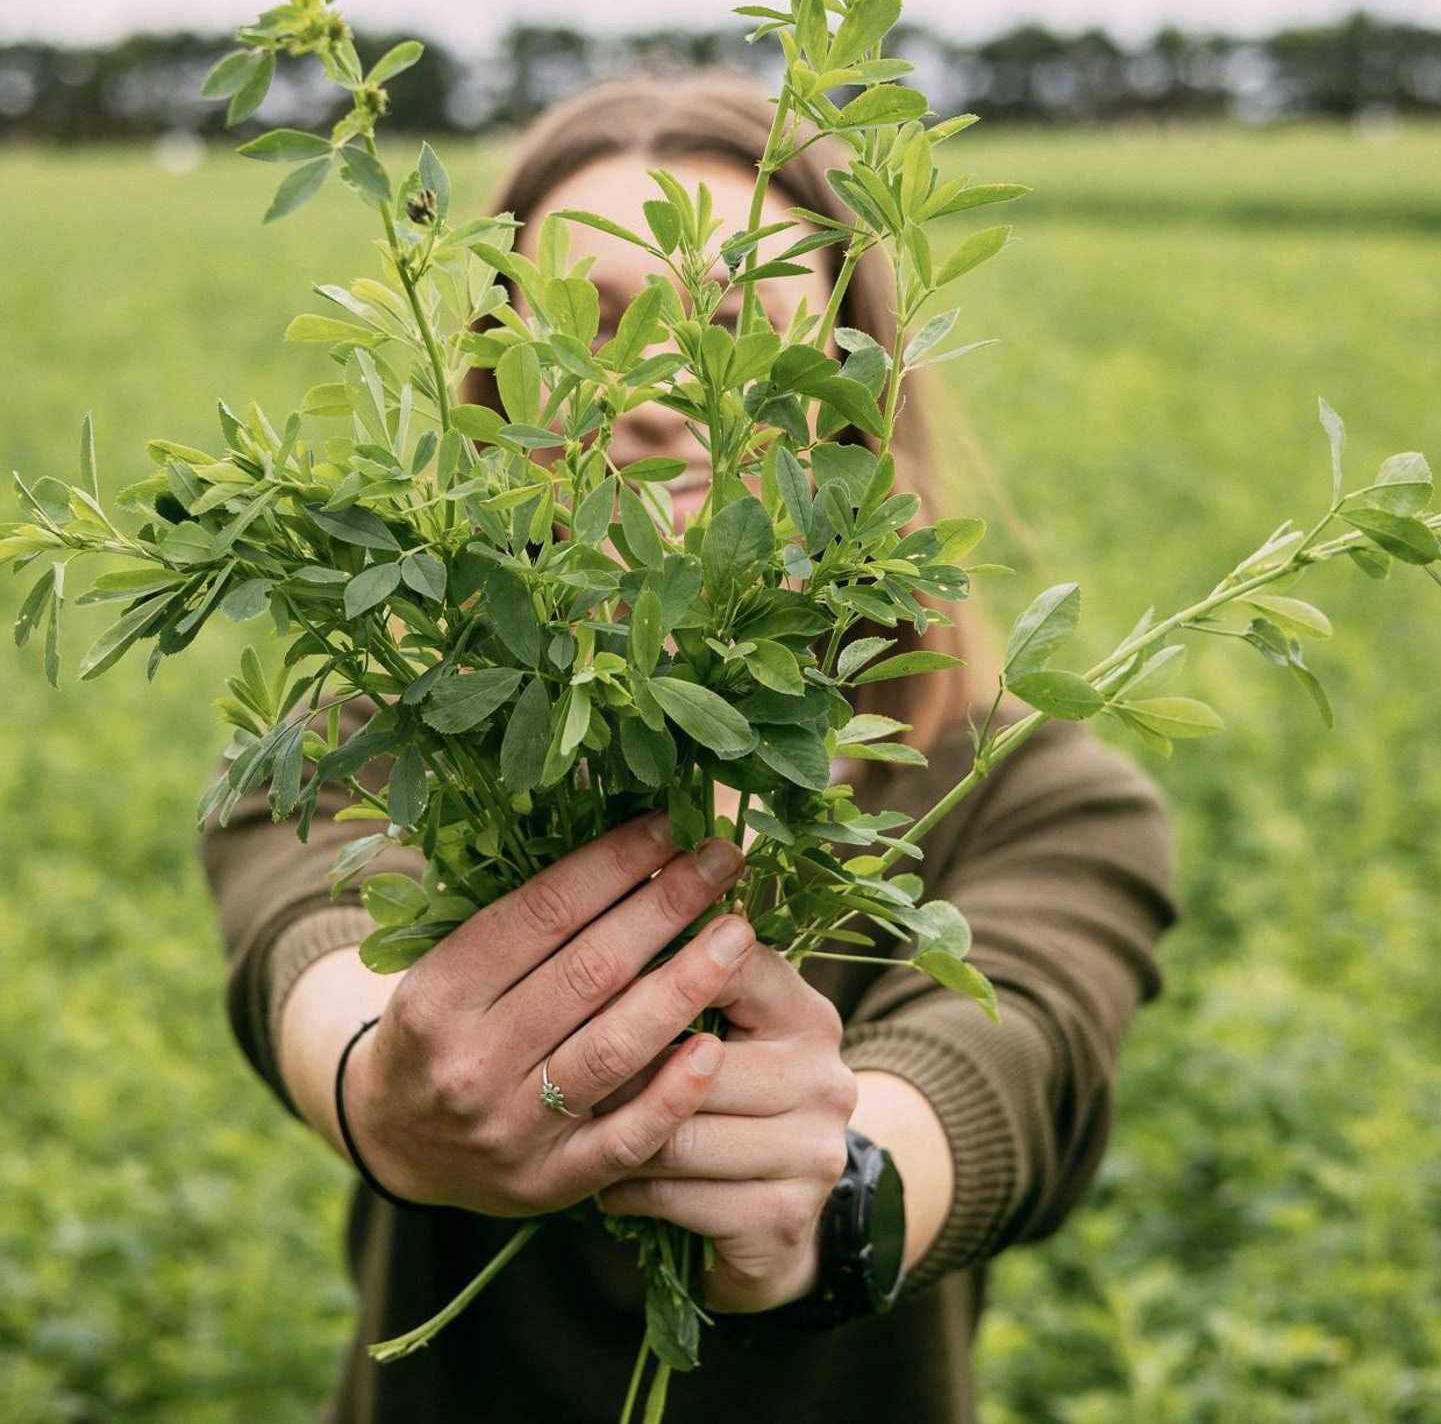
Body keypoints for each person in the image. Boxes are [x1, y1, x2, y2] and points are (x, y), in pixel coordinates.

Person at [201, 70, 1180, 1423]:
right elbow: (307, 948)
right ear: (484, 399)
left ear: (852, 406)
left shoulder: (1024, 790)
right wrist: (389, 1084)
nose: (655, 397)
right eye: (580, 335)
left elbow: (1016, 1067)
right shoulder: (376, 727)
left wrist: (830, 1190)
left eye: (727, 332)